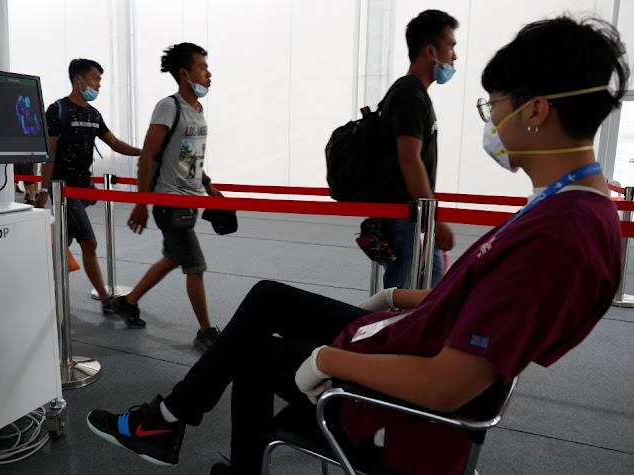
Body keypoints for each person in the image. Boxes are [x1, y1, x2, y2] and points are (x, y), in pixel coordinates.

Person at [86, 15, 628, 474]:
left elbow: (447, 385)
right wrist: (394, 300)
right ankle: (169, 419)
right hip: (413, 332)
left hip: (411, 382)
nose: (490, 121)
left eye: (494, 106)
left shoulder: (564, 231)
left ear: (535, 111)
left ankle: (174, 424)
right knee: (268, 296)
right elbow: (474, 301)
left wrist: (329, 358)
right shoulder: (562, 205)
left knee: (252, 353)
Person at [108, 43, 223, 350]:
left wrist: (208, 184)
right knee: (195, 265)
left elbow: (189, 155)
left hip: (190, 198)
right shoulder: (168, 106)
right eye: (202, 67)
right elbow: (147, 156)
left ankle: (128, 302)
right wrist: (141, 203)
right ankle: (205, 332)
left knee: (174, 257)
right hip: (169, 200)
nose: (208, 73)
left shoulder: (197, 109)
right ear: (184, 73)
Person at [34, 59, 142, 313]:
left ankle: (38, 285)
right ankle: (106, 299)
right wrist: (44, 189)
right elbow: (50, 152)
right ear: (78, 80)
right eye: (95, 79)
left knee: (64, 242)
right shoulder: (58, 109)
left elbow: (115, 144)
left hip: (83, 188)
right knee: (89, 243)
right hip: (64, 190)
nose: (98, 85)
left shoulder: (93, 114)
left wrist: (145, 152)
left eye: (100, 80)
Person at [375, 10, 457, 290]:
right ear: (430, 50)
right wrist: (434, 221)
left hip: (409, 216)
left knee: (415, 294)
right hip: (408, 218)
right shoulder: (410, 95)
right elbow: (409, 159)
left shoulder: (412, 93)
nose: (454, 56)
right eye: (451, 46)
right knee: (408, 298)